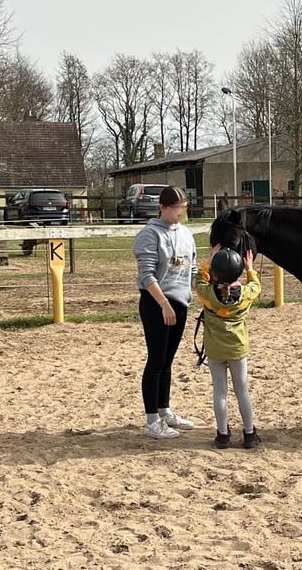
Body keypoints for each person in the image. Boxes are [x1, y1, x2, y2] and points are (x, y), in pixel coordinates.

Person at [133, 186, 198, 439]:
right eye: (175, 208)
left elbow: (191, 265)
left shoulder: (186, 234)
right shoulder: (150, 235)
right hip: (157, 303)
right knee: (156, 360)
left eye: (182, 208)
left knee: (168, 361)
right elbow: (147, 275)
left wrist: (191, 292)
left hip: (180, 302)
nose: (179, 213)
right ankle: (151, 420)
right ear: (162, 207)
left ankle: (164, 409)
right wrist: (164, 304)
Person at [195, 245, 262, 449]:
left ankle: (223, 434)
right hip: (237, 348)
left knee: (220, 392)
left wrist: (209, 261)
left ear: (215, 273)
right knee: (242, 391)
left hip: (215, 349)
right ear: (238, 272)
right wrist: (250, 268)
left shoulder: (206, 292)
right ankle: (249, 433)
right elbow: (256, 285)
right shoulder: (246, 294)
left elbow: (199, 279)